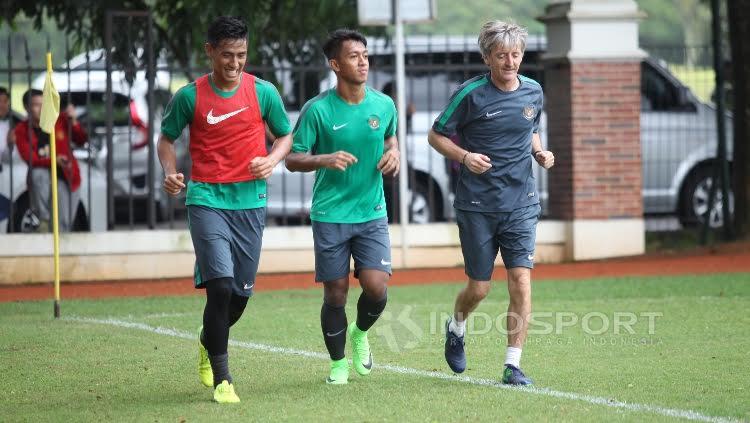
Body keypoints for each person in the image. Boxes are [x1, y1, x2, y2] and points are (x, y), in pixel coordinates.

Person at [157, 16, 292, 403]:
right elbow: (165, 140)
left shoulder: (263, 92)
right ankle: (223, 378)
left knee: (238, 298)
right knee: (218, 285)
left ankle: (207, 340)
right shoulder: (190, 96)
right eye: (228, 55)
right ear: (210, 52)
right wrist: (170, 171)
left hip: (250, 202)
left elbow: (285, 135)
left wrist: (272, 159)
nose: (235, 63)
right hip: (206, 199)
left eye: (242, 55)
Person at [427, 20, 555, 385]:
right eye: (502, 56)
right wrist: (465, 157)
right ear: (487, 58)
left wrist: (540, 153)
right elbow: (435, 136)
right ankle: (457, 326)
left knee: (521, 281)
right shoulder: (470, 95)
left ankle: (513, 366)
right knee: (479, 288)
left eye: (515, 54)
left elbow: (531, 129)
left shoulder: (533, 91)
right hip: (477, 205)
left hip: (521, 204)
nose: (510, 62)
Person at [285, 29, 400, 385]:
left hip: (372, 212)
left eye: (365, 55)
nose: (363, 61)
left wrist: (393, 152)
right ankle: (338, 364)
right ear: (335, 64)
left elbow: (390, 137)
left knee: (377, 287)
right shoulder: (317, 110)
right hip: (330, 214)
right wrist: (324, 158)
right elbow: (291, 158)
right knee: (335, 291)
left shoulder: (384, 105)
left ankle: (360, 333)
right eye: (354, 56)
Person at [14, 89, 88, 232]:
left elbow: (81, 140)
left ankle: (60, 250)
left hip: (67, 176)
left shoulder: (59, 120)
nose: (41, 108)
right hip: (45, 177)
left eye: (44, 104)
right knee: (38, 173)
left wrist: (74, 122)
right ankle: (44, 218)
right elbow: (31, 159)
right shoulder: (21, 130)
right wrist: (54, 160)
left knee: (64, 223)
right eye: (36, 105)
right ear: (27, 108)